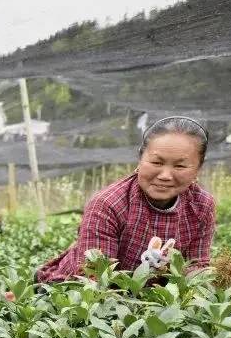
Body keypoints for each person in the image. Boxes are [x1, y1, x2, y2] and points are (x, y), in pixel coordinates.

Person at [36, 116, 214, 282]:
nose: (165, 175)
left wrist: (186, 273)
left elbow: (197, 265)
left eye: (180, 166)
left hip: (155, 300)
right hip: (77, 290)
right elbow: (95, 276)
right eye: (156, 163)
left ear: (198, 168)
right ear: (140, 158)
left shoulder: (202, 206)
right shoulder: (108, 204)